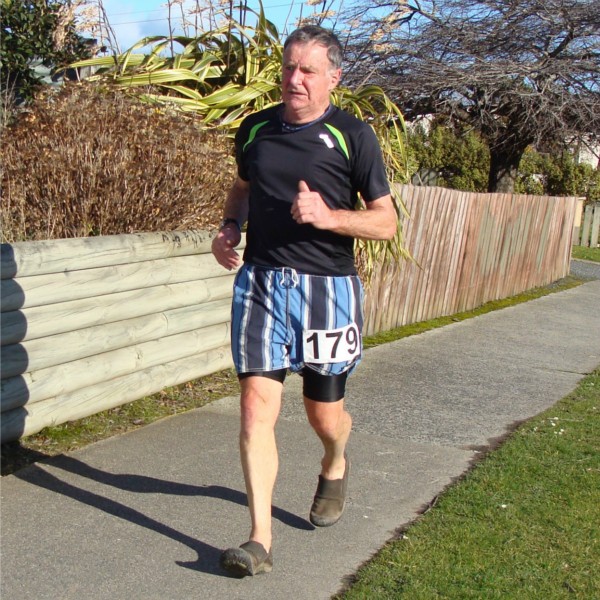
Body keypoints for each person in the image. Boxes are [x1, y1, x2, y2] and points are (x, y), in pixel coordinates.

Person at [211, 24, 397, 577]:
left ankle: (335, 462)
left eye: (308, 70)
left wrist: (329, 216)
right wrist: (230, 226)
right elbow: (243, 188)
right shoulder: (255, 129)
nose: (294, 79)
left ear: (333, 78)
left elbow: (385, 223)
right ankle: (259, 541)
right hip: (261, 284)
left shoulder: (352, 136)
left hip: (327, 290)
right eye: (288, 68)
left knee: (324, 414)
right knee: (254, 407)